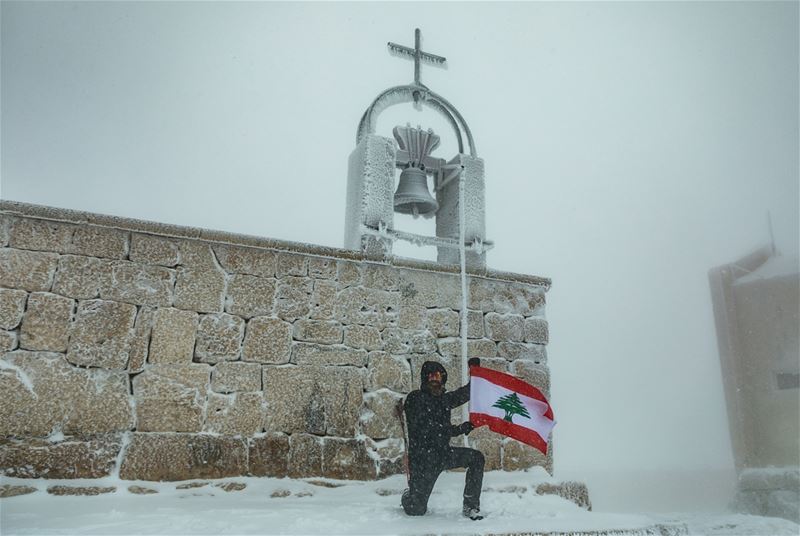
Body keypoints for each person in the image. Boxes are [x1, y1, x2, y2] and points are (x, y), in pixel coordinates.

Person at [401, 358, 485, 520]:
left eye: (438, 375)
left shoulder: (444, 399)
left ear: (442, 378)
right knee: (416, 509)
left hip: (443, 454)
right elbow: (427, 429)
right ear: (425, 378)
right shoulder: (415, 399)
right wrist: (459, 429)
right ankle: (408, 495)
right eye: (431, 375)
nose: (434, 378)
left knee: (476, 458)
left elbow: (467, 392)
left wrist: (475, 371)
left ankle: (470, 507)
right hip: (422, 461)